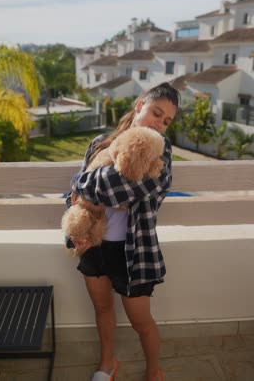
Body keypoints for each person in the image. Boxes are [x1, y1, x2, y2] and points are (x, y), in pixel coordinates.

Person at [65, 82, 180, 381]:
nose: (160, 123)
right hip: (93, 244)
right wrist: (75, 229)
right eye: (157, 113)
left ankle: (153, 371)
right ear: (140, 104)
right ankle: (107, 365)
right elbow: (73, 194)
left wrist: (84, 185)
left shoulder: (161, 152)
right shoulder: (101, 142)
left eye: (167, 121)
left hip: (134, 253)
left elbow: (114, 190)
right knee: (102, 309)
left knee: (142, 322)